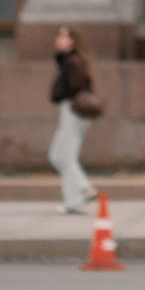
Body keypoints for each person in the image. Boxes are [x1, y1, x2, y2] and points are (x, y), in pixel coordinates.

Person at [47, 26, 98, 213]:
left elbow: (77, 87)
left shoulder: (72, 61)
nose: (58, 40)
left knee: (63, 157)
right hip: (72, 111)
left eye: (63, 36)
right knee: (59, 157)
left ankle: (84, 187)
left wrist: (59, 94)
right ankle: (73, 201)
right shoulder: (69, 60)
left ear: (73, 41)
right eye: (58, 36)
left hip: (73, 111)